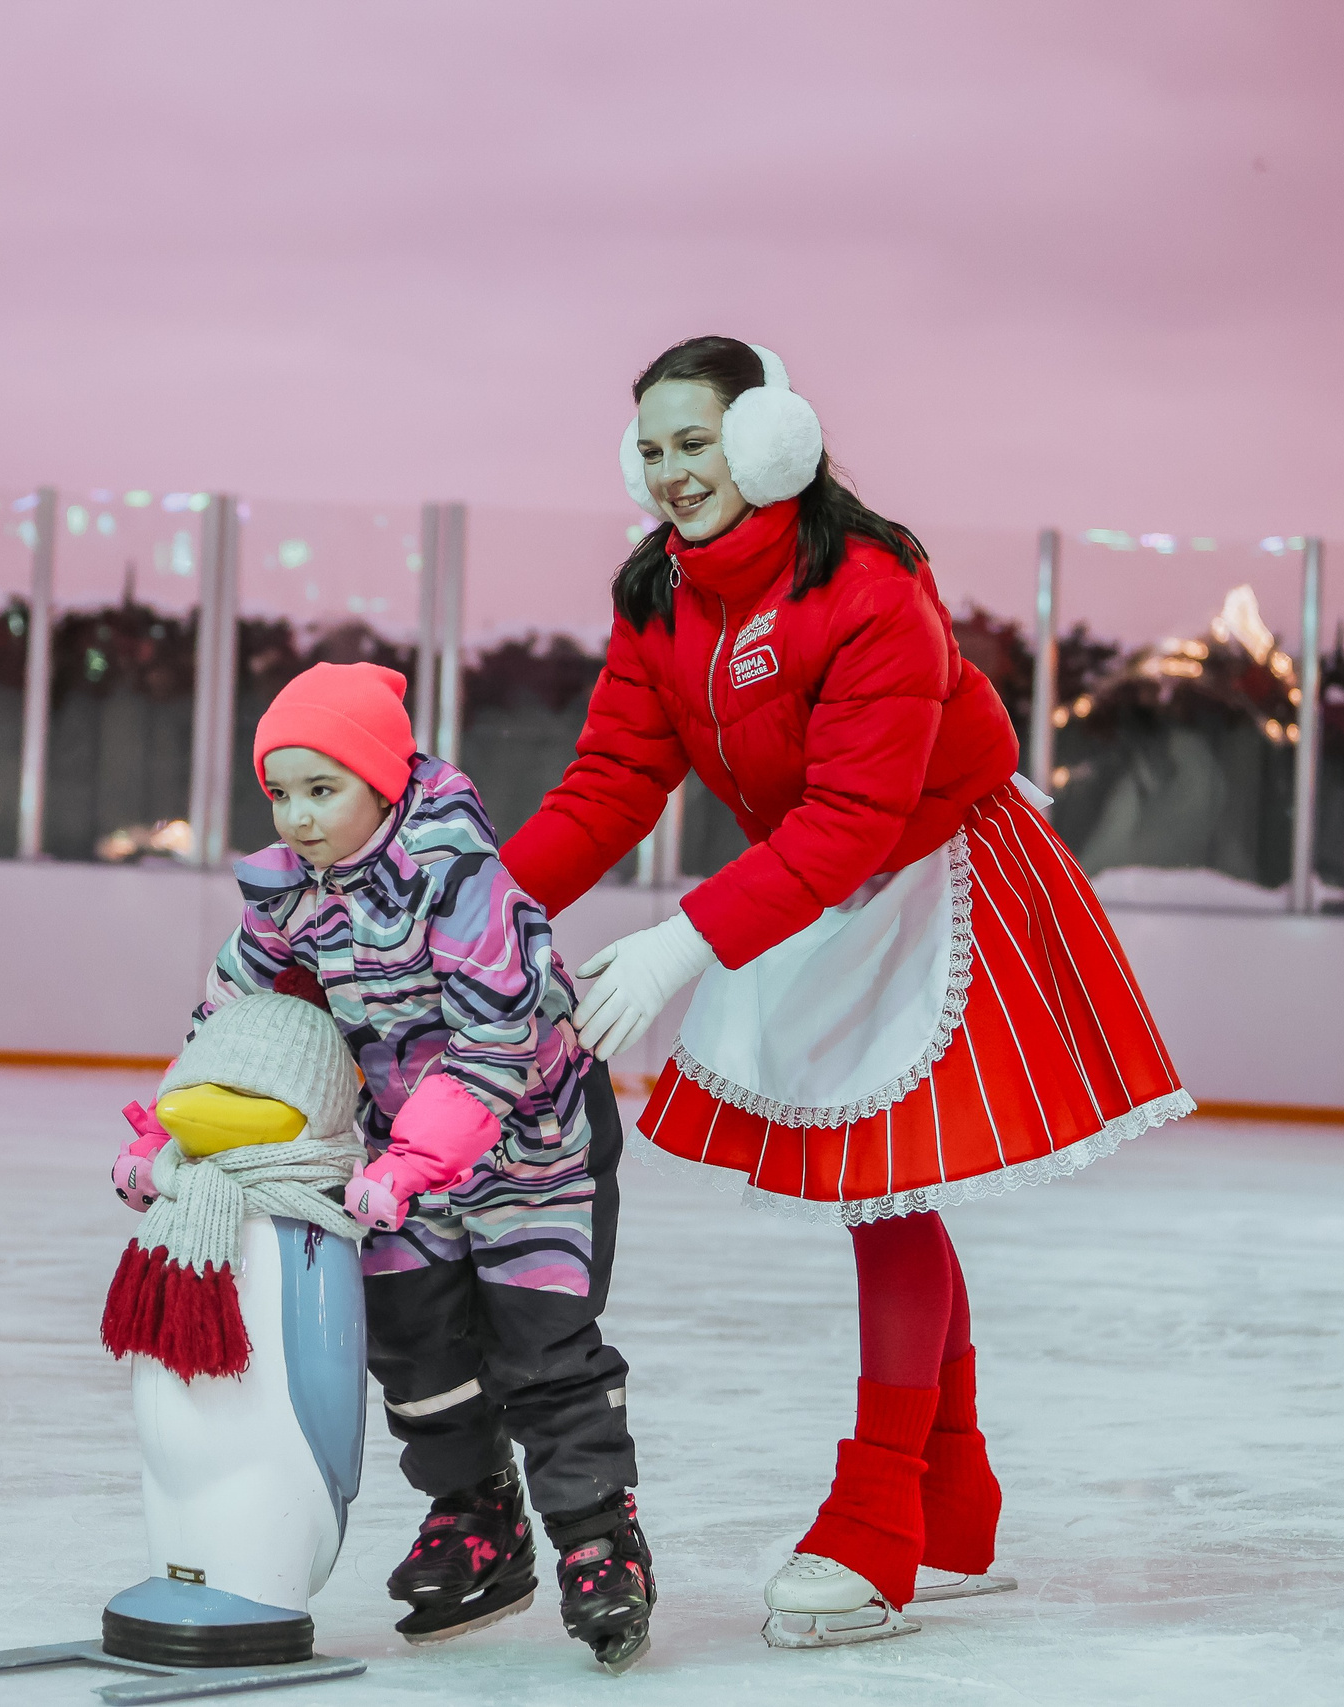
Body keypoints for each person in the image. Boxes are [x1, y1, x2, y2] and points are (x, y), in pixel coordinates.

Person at [501, 336, 1193, 1648]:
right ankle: (958, 1509)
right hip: (823, 876)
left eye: (694, 442)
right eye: (649, 449)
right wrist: (468, 910)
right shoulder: (659, 594)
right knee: (894, 1188)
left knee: (887, 1187)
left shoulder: (875, 587)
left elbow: (853, 822)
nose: (669, 472)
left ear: (770, 438)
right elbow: (608, 784)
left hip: (940, 867)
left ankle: (881, 1523)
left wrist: (677, 944)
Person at [109, 663, 655, 1674]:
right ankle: (477, 1517)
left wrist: (410, 1162)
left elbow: (495, 1047)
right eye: (280, 792)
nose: (300, 817)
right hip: (404, 1153)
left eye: (323, 790)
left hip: (537, 1144)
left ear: (382, 783)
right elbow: (231, 1021)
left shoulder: (465, 883)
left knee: (541, 1346)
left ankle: (596, 1540)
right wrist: (169, 1136)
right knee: (410, 1342)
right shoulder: (289, 895)